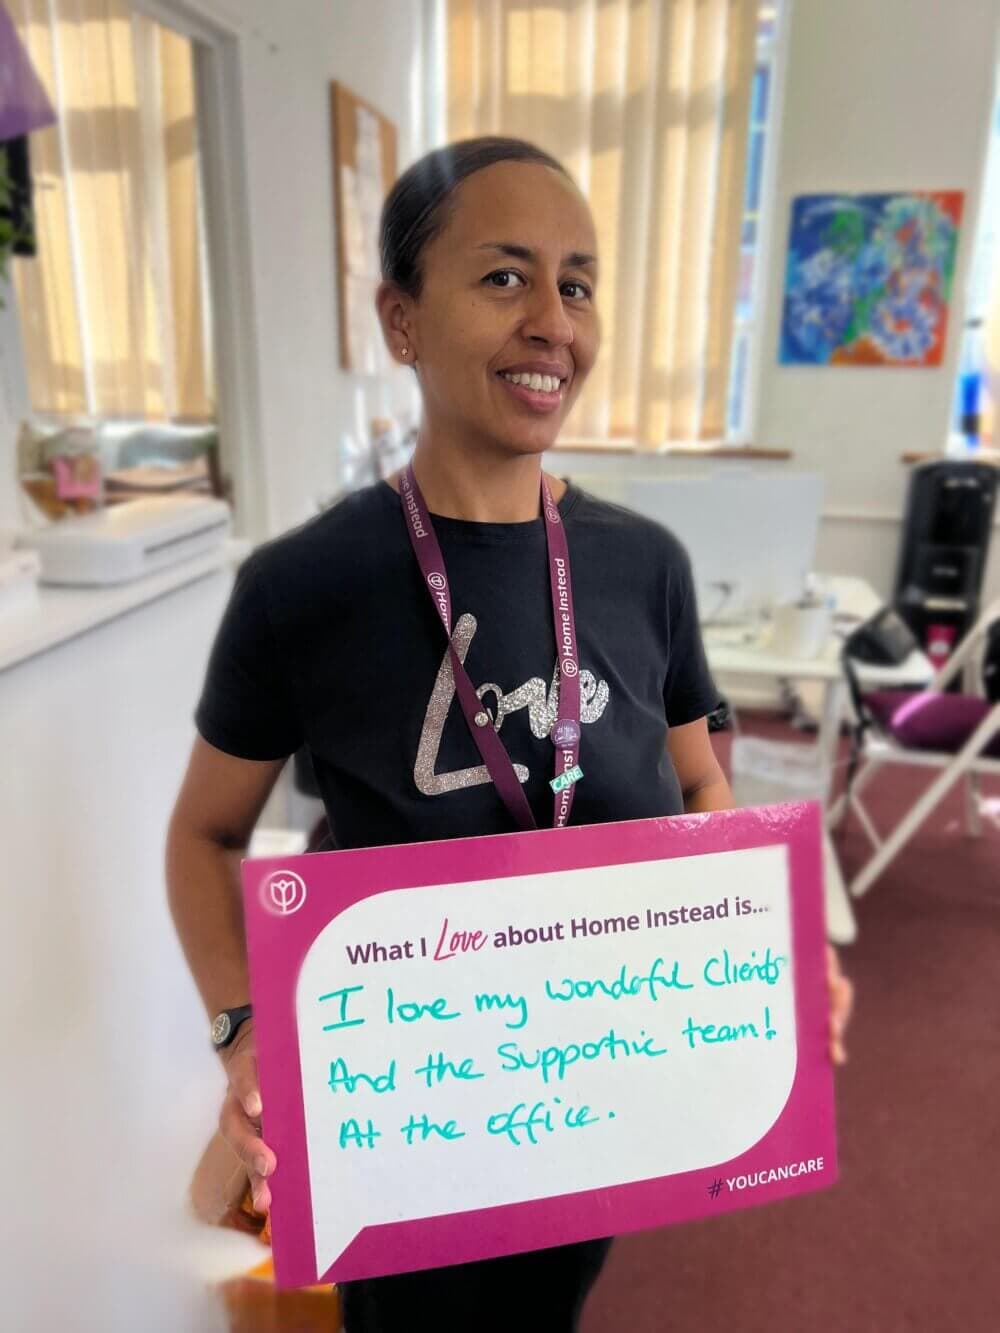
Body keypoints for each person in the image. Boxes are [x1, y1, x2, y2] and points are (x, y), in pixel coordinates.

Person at [167, 137, 853, 1332]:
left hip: (594, 1081)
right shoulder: (303, 587)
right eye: (503, 277)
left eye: (576, 283)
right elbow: (202, 835)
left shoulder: (643, 567)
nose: (552, 321)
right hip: (405, 1104)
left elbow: (699, 780)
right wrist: (243, 1030)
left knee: (549, 1302)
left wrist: (767, 943)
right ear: (400, 320)